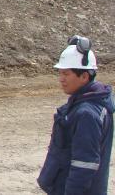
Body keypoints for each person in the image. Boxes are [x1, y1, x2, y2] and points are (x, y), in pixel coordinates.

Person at [37, 35, 114, 194]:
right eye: (60, 73)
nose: (61, 79)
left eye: (66, 74)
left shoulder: (87, 113)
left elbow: (84, 165)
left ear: (84, 76)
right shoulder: (84, 104)